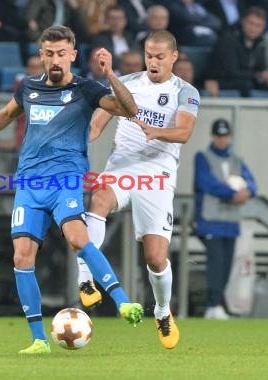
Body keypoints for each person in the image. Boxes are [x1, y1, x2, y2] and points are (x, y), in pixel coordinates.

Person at [0, 25, 143, 354]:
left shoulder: (87, 89)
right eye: (49, 53)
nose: (55, 60)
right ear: (41, 55)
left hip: (65, 180)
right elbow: (4, 116)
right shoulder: (29, 89)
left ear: (73, 56)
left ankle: (123, 302)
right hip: (28, 184)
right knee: (22, 257)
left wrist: (110, 74)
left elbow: (129, 109)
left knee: (77, 238)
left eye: (61, 54)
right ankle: (39, 340)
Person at [77, 30, 200, 350]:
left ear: (174, 57)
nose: (153, 62)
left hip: (157, 177)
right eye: (149, 56)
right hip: (121, 169)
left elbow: (184, 132)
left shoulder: (185, 92)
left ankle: (161, 311)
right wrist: (75, 146)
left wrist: (155, 131)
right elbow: (95, 124)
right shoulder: (127, 83)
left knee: (156, 258)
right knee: (99, 197)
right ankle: (86, 277)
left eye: (160, 57)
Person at [194, 118, 257, 320]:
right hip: (211, 219)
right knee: (216, 263)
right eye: (219, 136)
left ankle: (218, 304)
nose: (222, 140)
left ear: (230, 137)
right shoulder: (202, 157)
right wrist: (232, 193)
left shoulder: (236, 160)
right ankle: (212, 305)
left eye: (225, 136)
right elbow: (207, 183)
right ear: (213, 136)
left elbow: (252, 183)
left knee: (227, 264)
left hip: (231, 221)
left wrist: (248, 192)